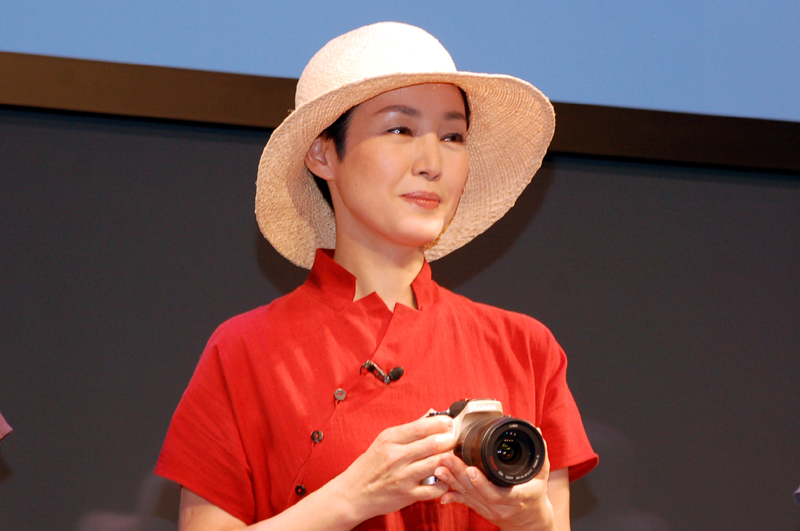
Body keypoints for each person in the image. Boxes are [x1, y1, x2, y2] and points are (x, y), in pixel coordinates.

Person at [155, 21, 597, 531]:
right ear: (323, 153)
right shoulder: (246, 351)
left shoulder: (524, 349)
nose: (432, 162)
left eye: (452, 136)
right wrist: (351, 498)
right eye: (400, 130)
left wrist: (533, 522)